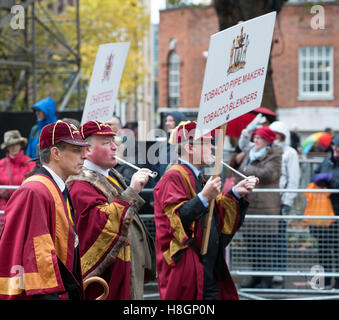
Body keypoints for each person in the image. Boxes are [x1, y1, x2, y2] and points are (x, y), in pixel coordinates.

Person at [153, 121, 258, 300]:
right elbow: (177, 219)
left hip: (206, 262)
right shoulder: (174, 175)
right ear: (191, 148)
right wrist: (204, 197)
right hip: (189, 263)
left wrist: (235, 193)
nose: (212, 147)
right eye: (207, 142)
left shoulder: (197, 175)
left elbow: (212, 215)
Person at [0, 120, 89, 300]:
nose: (84, 156)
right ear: (56, 153)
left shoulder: (56, 187)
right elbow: (35, 257)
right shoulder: (34, 191)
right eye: (77, 150)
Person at [67, 121, 156, 300]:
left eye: (113, 141)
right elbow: (101, 228)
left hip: (129, 271)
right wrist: (132, 192)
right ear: (87, 150)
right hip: (108, 280)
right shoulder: (79, 184)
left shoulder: (111, 174)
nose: (115, 147)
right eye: (107, 143)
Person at [236, 126, 283, 289]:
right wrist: (245, 169)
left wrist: (246, 169)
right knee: (252, 243)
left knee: (266, 245)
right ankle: (255, 276)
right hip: (249, 204)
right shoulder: (250, 153)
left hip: (266, 206)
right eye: (254, 138)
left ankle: (266, 280)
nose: (254, 141)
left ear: (267, 141)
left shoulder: (275, 155)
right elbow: (239, 170)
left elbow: (268, 174)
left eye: (258, 138)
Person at [308, 135, 339, 289]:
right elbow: (315, 175)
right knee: (324, 247)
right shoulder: (328, 159)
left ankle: (338, 282)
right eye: (334, 146)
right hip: (323, 210)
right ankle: (326, 279)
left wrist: (331, 179)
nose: (335, 150)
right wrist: (319, 178)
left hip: (337, 211)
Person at [0, 130, 35, 211]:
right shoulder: (1, 164)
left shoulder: (31, 164)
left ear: (20, 145)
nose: (14, 147)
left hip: (25, 207)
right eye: (11, 144)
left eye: (17, 143)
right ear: (7, 147)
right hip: (4, 210)